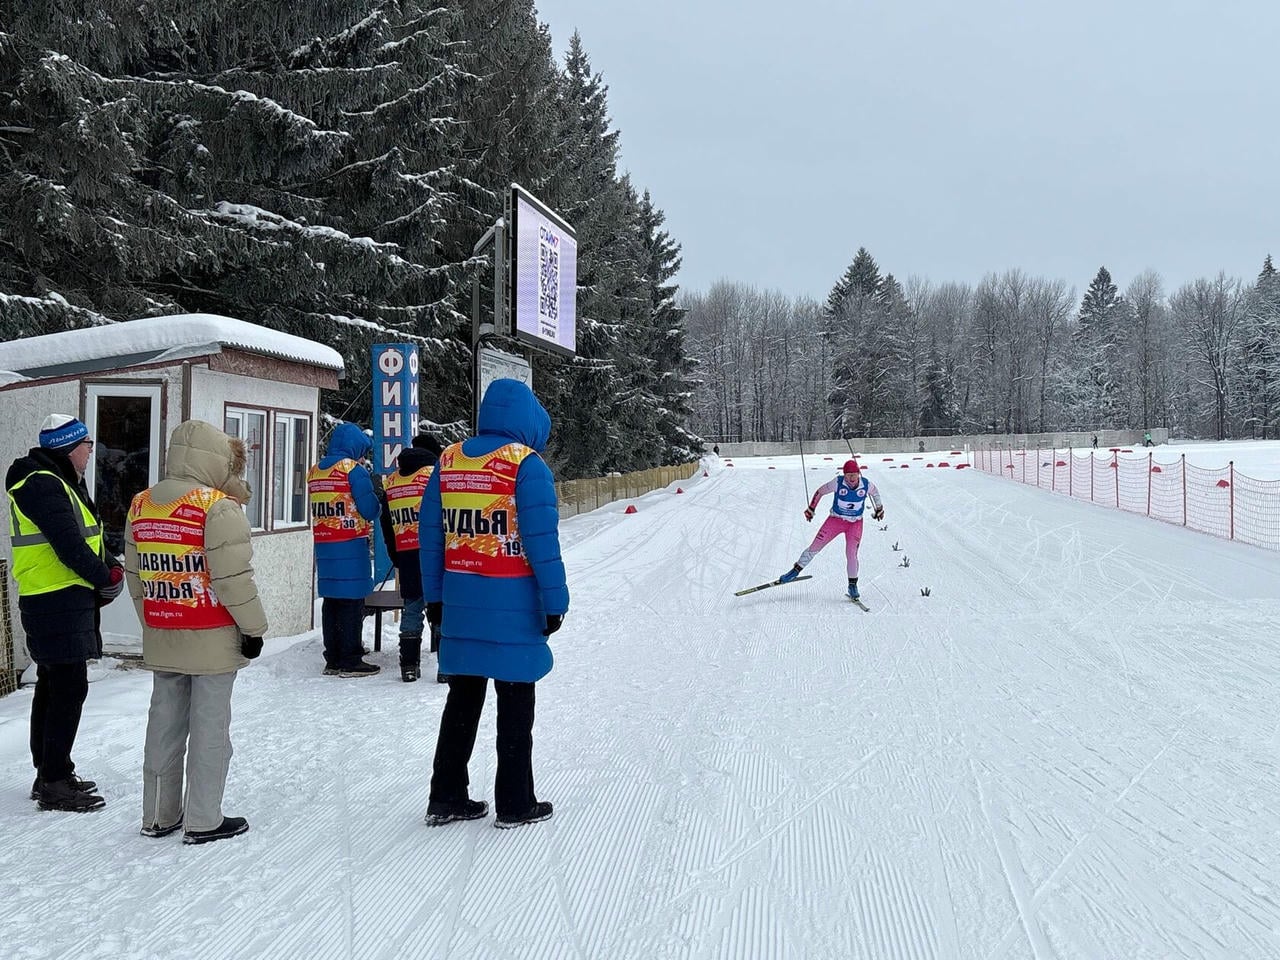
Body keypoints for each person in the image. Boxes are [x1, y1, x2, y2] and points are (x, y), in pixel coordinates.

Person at [420, 379, 568, 829]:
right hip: (514, 607)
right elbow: (542, 544)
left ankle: (446, 796)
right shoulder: (527, 465)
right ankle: (516, 802)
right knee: (516, 703)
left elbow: (431, 538)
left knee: (462, 702)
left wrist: (435, 599)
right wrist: (555, 602)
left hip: (461, 603)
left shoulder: (448, 461)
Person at [125, 420, 268, 844]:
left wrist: (153, 621)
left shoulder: (142, 504)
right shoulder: (217, 507)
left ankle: (158, 814)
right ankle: (204, 820)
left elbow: (136, 576)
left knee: (163, 725)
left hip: (164, 628)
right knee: (210, 728)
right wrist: (254, 629)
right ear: (218, 459)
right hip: (211, 635)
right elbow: (233, 579)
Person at [5, 414, 122, 812]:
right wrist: (104, 577)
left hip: (59, 596)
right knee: (67, 687)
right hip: (54, 597)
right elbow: (68, 545)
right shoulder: (43, 483)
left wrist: (108, 564)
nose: (91, 451)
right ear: (71, 447)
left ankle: (50, 773)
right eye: (87, 444)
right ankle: (54, 781)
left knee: (54, 684)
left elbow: (89, 535)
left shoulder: (59, 481)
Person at [308, 422, 381, 677]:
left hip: (325, 544)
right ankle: (351, 659)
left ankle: (333, 657)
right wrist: (377, 496)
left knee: (332, 601)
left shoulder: (316, 471)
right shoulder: (353, 470)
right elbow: (369, 509)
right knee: (351, 600)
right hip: (350, 544)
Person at [377, 433, 444, 682]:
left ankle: (408, 666)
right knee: (440, 608)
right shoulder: (434, 475)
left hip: (406, 554)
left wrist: (395, 554)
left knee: (412, 608)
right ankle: (446, 668)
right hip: (435, 553)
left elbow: (386, 523)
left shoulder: (393, 481)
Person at [777, 458, 883, 600]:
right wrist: (811, 508)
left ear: (858, 473)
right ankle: (794, 571)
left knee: (851, 554)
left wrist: (879, 508)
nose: (851, 478)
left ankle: (852, 586)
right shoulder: (837, 483)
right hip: (835, 521)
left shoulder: (866, 484)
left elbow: (875, 493)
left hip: (855, 524)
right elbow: (820, 491)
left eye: (854, 475)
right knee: (815, 546)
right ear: (844, 475)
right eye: (848, 475)